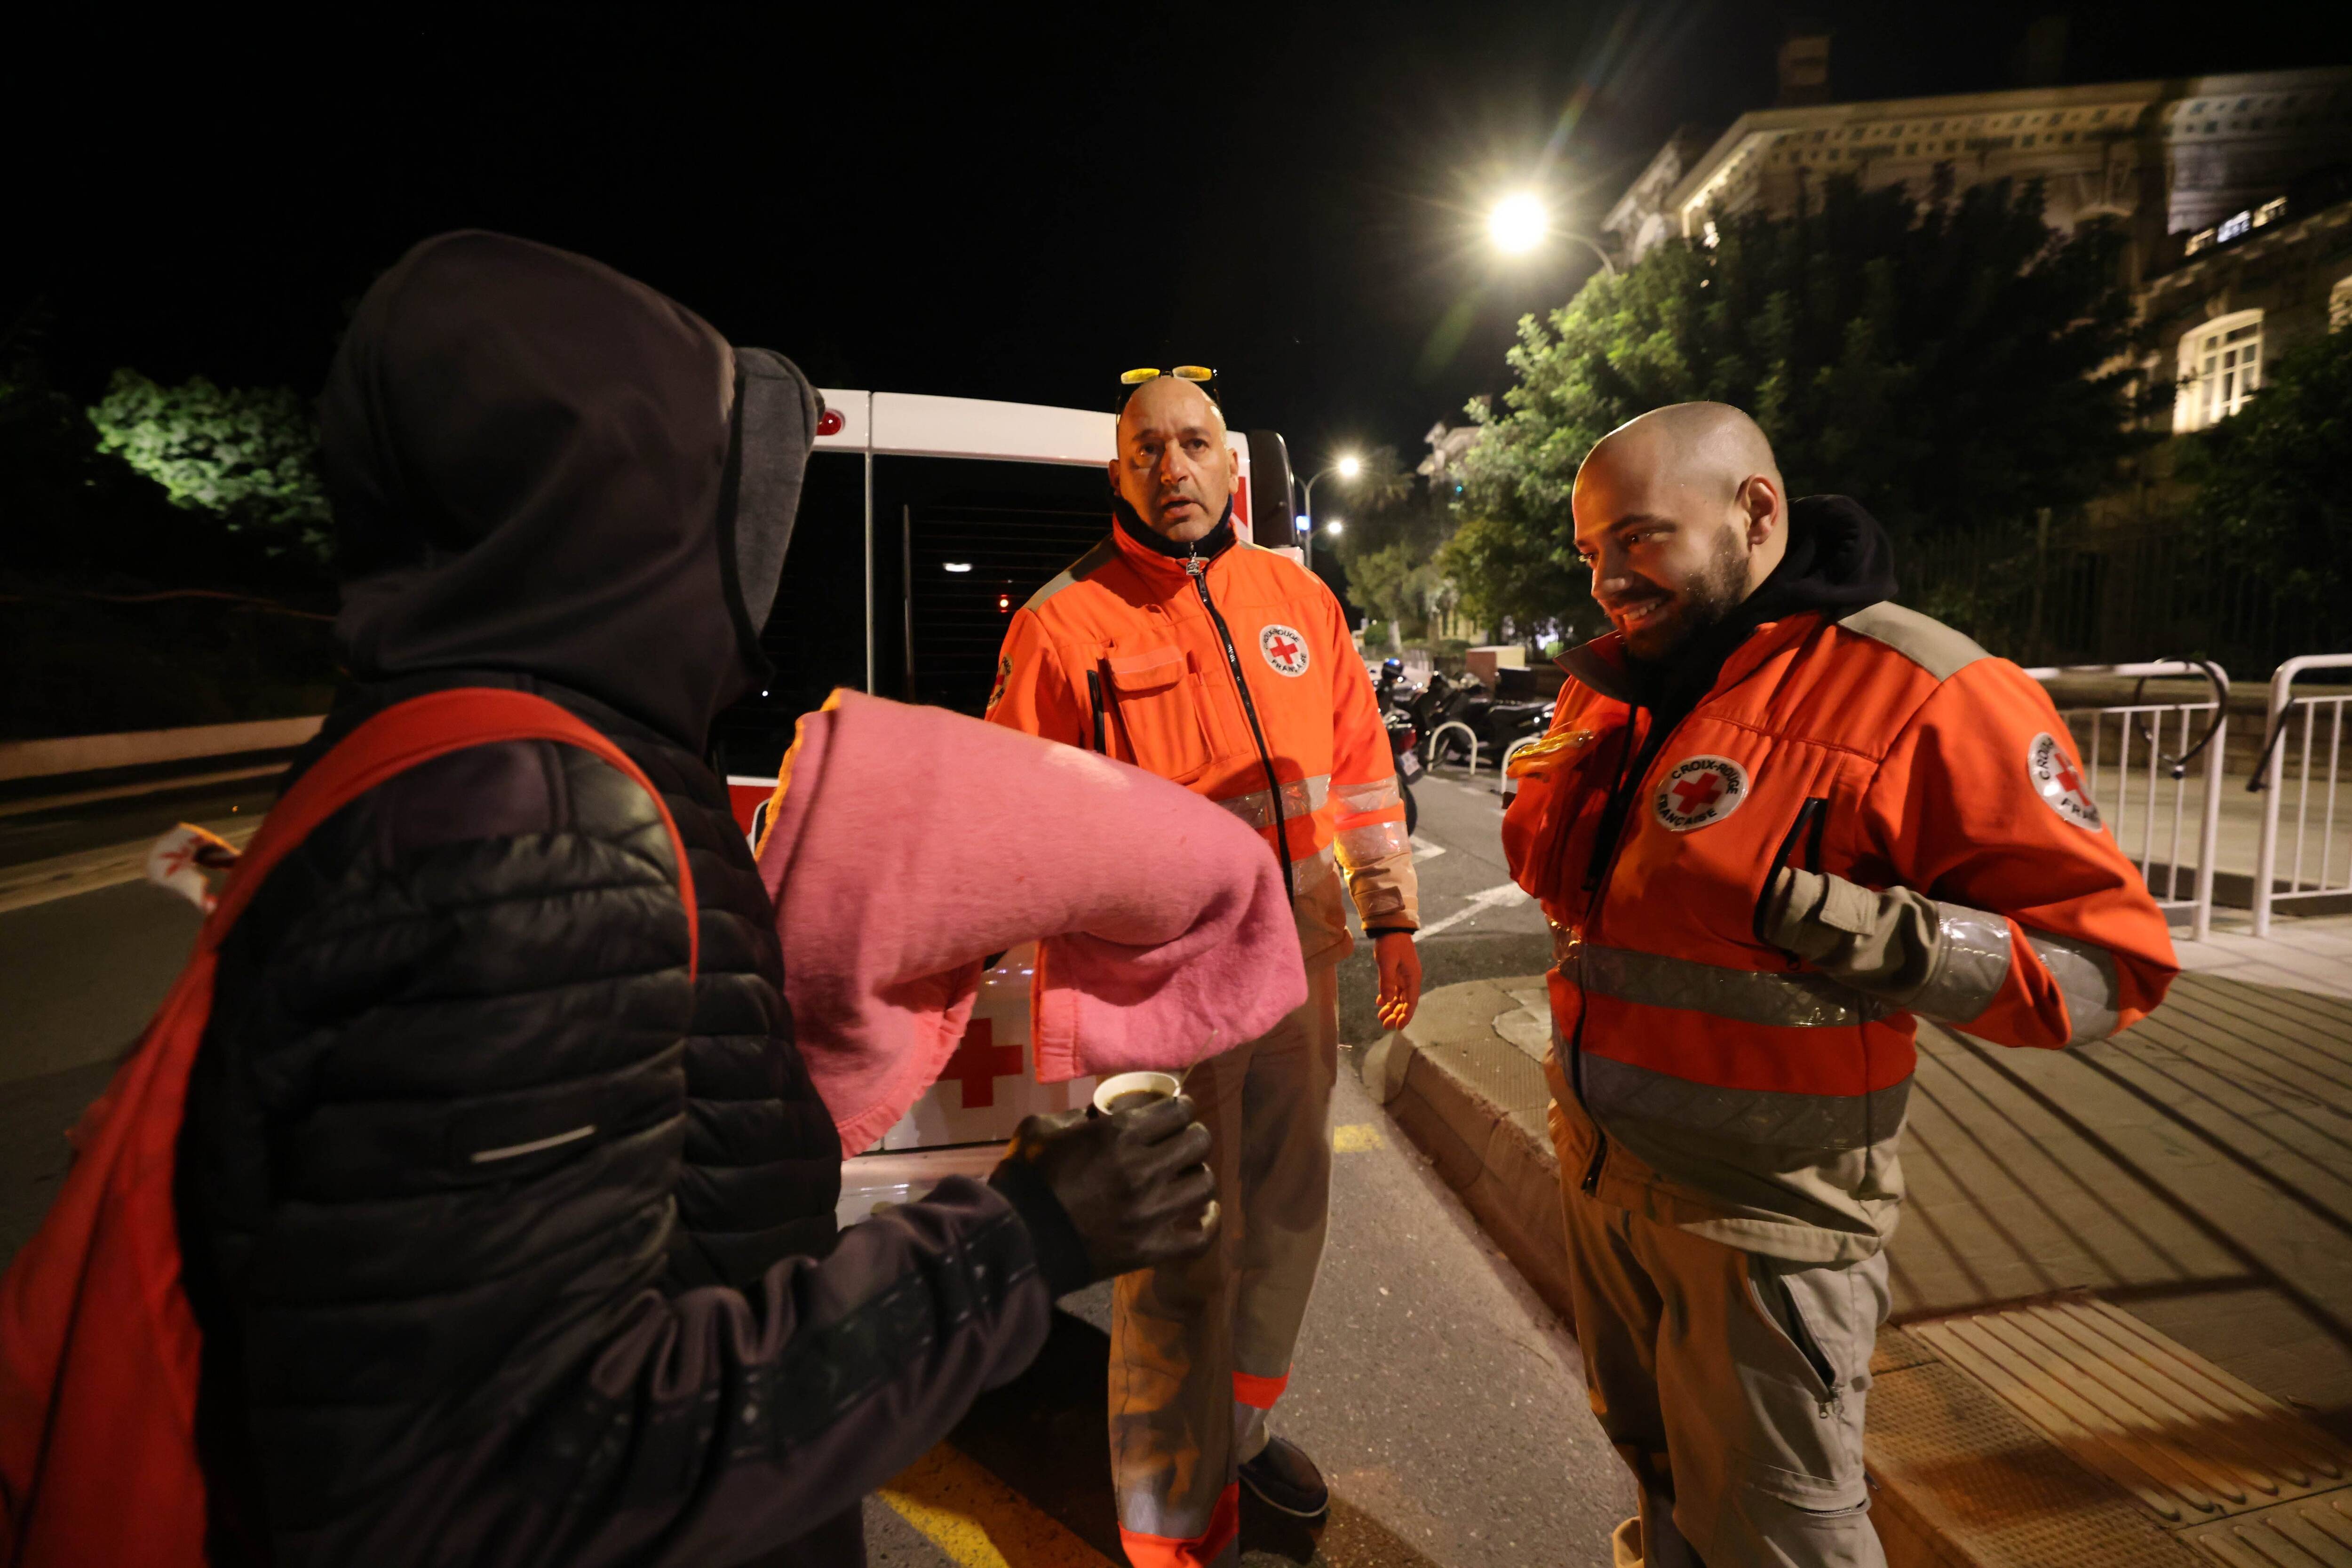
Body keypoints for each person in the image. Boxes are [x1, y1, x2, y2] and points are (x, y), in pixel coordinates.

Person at [168, 232, 1222, 1567]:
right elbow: (532, 1457)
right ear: (617, 505)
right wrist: (1026, 1235)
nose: (753, 534)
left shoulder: (475, 746)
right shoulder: (537, 836)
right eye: (721, 476)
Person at [1500, 403, 2177, 1568]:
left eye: (1642, 536)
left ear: (1755, 511)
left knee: (1782, 1537)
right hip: (1603, 1186)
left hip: (1770, 1230)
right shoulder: (1608, 687)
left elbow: (2107, 967)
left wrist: (1821, 913)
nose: (1610, 576)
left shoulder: (1927, 691)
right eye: (1591, 548)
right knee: (1663, 1491)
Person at [984, 368, 1422, 1567]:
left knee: (1285, 1218)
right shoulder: (1060, 624)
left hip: (1296, 967)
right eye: (1145, 451)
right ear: (1115, 473)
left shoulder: (1299, 599)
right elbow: (1019, 822)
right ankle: (1174, 1536)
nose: (1171, 468)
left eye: (1192, 444)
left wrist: (1389, 911)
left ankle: (1233, 1431)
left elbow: (1363, 768)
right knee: (1177, 1254)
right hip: (1160, 998)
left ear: (1233, 466)